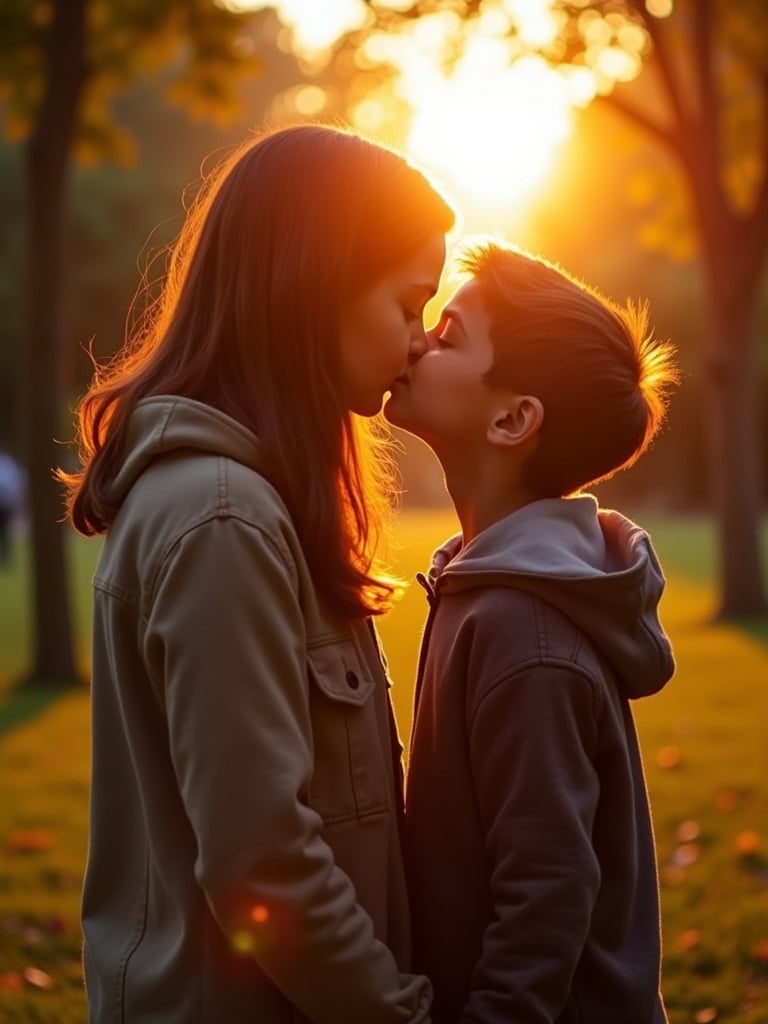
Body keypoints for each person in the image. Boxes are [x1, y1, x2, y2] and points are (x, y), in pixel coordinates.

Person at [58, 123, 455, 1023]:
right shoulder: (223, 519)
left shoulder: (255, 502)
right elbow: (263, 864)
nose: (420, 340)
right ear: (315, 285)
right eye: (407, 303)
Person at [385, 240, 679, 1024]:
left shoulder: (526, 634)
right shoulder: (485, 587)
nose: (414, 342)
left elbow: (548, 890)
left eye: (448, 338)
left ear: (513, 419)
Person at [0, 446, 25, 567]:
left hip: (4, 504)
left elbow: (15, 484)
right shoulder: (8, 464)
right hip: (6, 502)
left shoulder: (8, 464)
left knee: (5, 533)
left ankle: (6, 557)